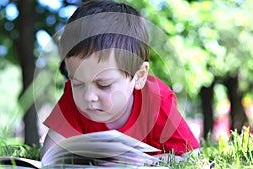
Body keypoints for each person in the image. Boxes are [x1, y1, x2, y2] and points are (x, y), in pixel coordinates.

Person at [41, 0, 200, 163]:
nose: (88, 96)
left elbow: (192, 157)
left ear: (138, 76)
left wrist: (150, 162)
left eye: (104, 85)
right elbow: (49, 156)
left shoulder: (156, 101)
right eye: (78, 83)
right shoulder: (72, 99)